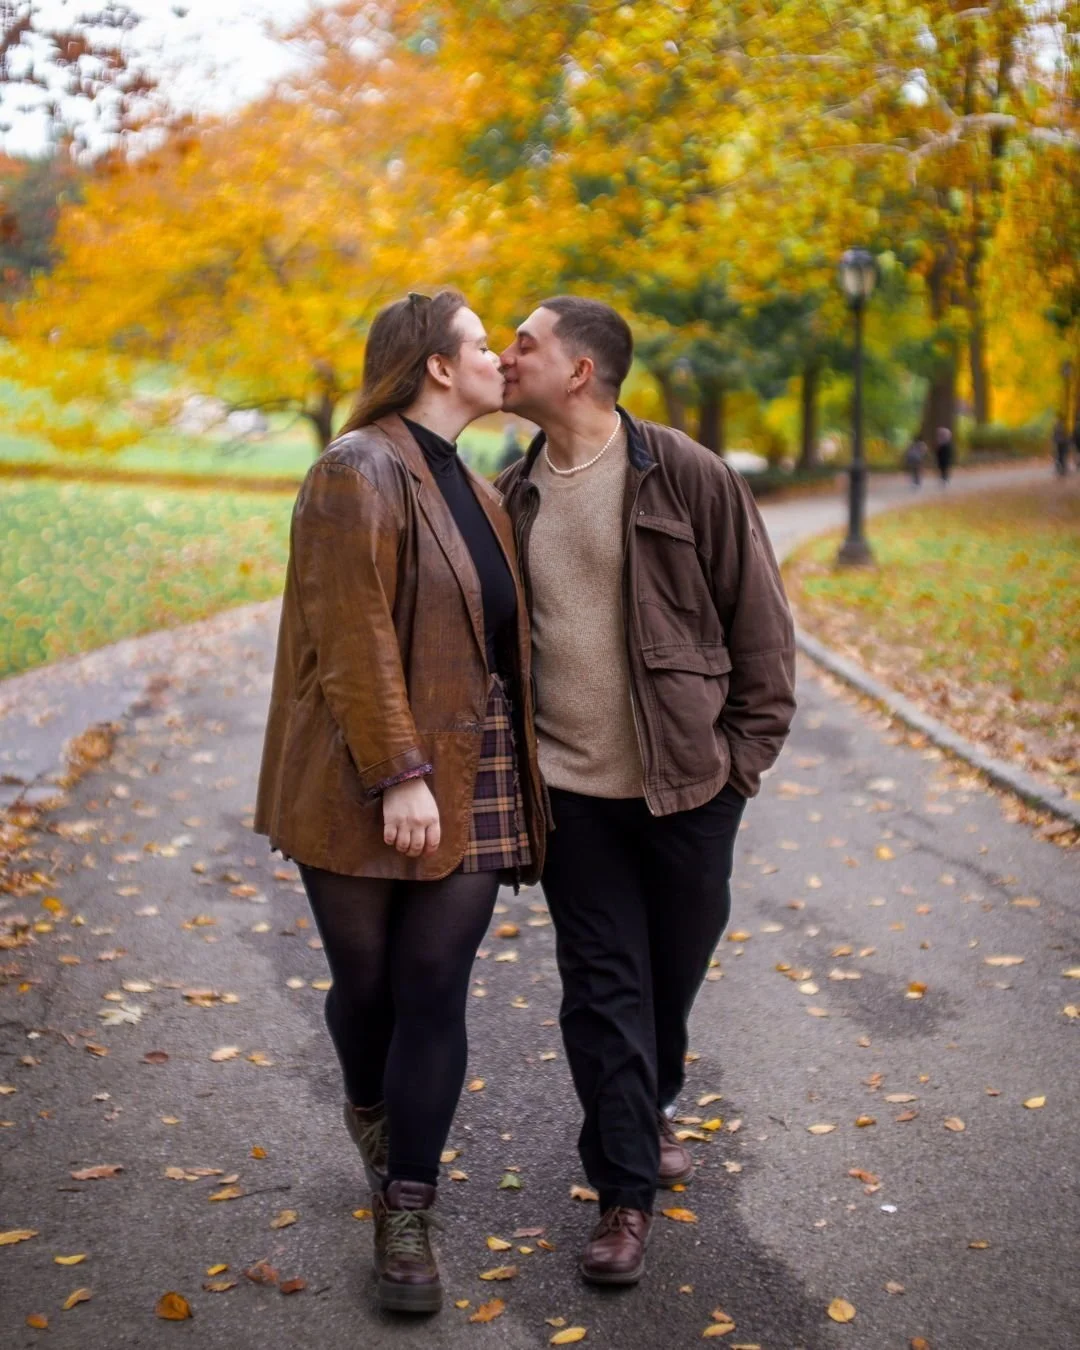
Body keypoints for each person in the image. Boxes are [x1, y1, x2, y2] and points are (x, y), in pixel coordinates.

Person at [255, 289, 546, 1314]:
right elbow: (353, 637)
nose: (499, 360)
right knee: (369, 986)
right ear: (436, 365)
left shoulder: (478, 486)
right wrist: (401, 773)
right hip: (358, 774)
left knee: (433, 986)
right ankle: (372, 1108)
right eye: (483, 344)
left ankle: (407, 1208)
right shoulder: (355, 468)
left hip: (480, 766)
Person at [496, 297, 796, 1287]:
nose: (506, 356)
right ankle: (624, 1196)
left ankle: (652, 1099)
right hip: (571, 796)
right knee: (604, 993)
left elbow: (761, 628)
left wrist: (738, 769)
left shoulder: (687, 474)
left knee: (668, 980)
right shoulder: (511, 494)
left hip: (688, 791)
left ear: (579, 371)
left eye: (525, 344)